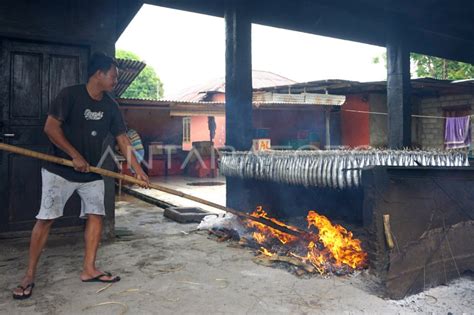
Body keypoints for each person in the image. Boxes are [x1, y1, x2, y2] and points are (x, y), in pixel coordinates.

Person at [12, 52, 150, 300]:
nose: (114, 81)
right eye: (113, 76)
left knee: (96, 215)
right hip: (59, 170)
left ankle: (89, 269)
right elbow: (50, 128)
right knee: (46, 219)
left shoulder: (110, 105)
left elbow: (122, 139)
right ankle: (29, 274)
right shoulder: (70, 95)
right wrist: (74, 155)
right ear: (98, 73)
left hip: (92, 171)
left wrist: (139, 171)